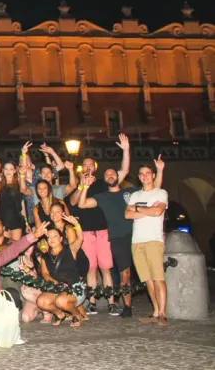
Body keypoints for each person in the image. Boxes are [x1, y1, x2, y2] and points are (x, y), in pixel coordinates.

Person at [76, 135, 138, 318]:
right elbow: (80, 204)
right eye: (84, 164)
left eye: (91, 165)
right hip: (89, 232)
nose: (111, 176)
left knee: (107, 268)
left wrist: (126, 149)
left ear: (96, 168)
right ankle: (92, 302)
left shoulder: (105, 185)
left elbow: (124, 169)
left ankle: (113, 303)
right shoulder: (93, 191)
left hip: (106, 233)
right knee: (91, 269)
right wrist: (84, 186)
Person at [126, 156, 169, 326]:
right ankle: (156, 311)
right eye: (142, 174)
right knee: (147, 280)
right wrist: (148, 209)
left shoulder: (161, 193)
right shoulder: (135, 194)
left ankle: (163, 314)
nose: (145, 176)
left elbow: (158, 212)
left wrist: (138, 208)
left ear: (153, 175)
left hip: (153, 239)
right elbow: (127, 214)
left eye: (148, 173)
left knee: (158, 278)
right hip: (137, 241)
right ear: (139, 177)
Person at [37, 217, 86, 326]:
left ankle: (76, 314)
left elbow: (80, 239)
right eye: (49, 237)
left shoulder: (70, 250)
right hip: (58, 289)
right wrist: (57, 284)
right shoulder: (45, 256)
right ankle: (60, 314)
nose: (52, 239)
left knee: (61, 300)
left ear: (60, 238)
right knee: (41, 301)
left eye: (55, 236)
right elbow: (45, 274)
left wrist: (76, 224)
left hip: (74, 289)